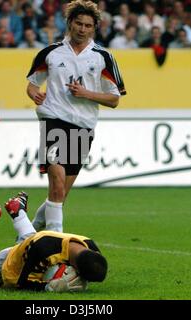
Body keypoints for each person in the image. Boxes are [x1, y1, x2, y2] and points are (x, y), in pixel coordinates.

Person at [26, 0, 126, 233]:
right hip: (53, 120)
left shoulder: (103, 57)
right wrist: (34, 94)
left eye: (88, 25)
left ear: (94, 28)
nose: (82, 29)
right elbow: (32, 84)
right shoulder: (50, 53)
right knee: (57, 186)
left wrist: (86, 93)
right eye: (78, 23)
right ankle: (54, 244)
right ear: (70, 23)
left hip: (83, 127)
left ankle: (27, 235)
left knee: (60, 195)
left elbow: (114, 100)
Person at [0, 189, 108, 291]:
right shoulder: (43, 248)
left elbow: (40, 244)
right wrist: (47, 287)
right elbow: (21, 282)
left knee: (34, 242)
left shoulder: (90, 245)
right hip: (8, 264)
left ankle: (18, 211)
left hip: (34, 246)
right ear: (76, 266)